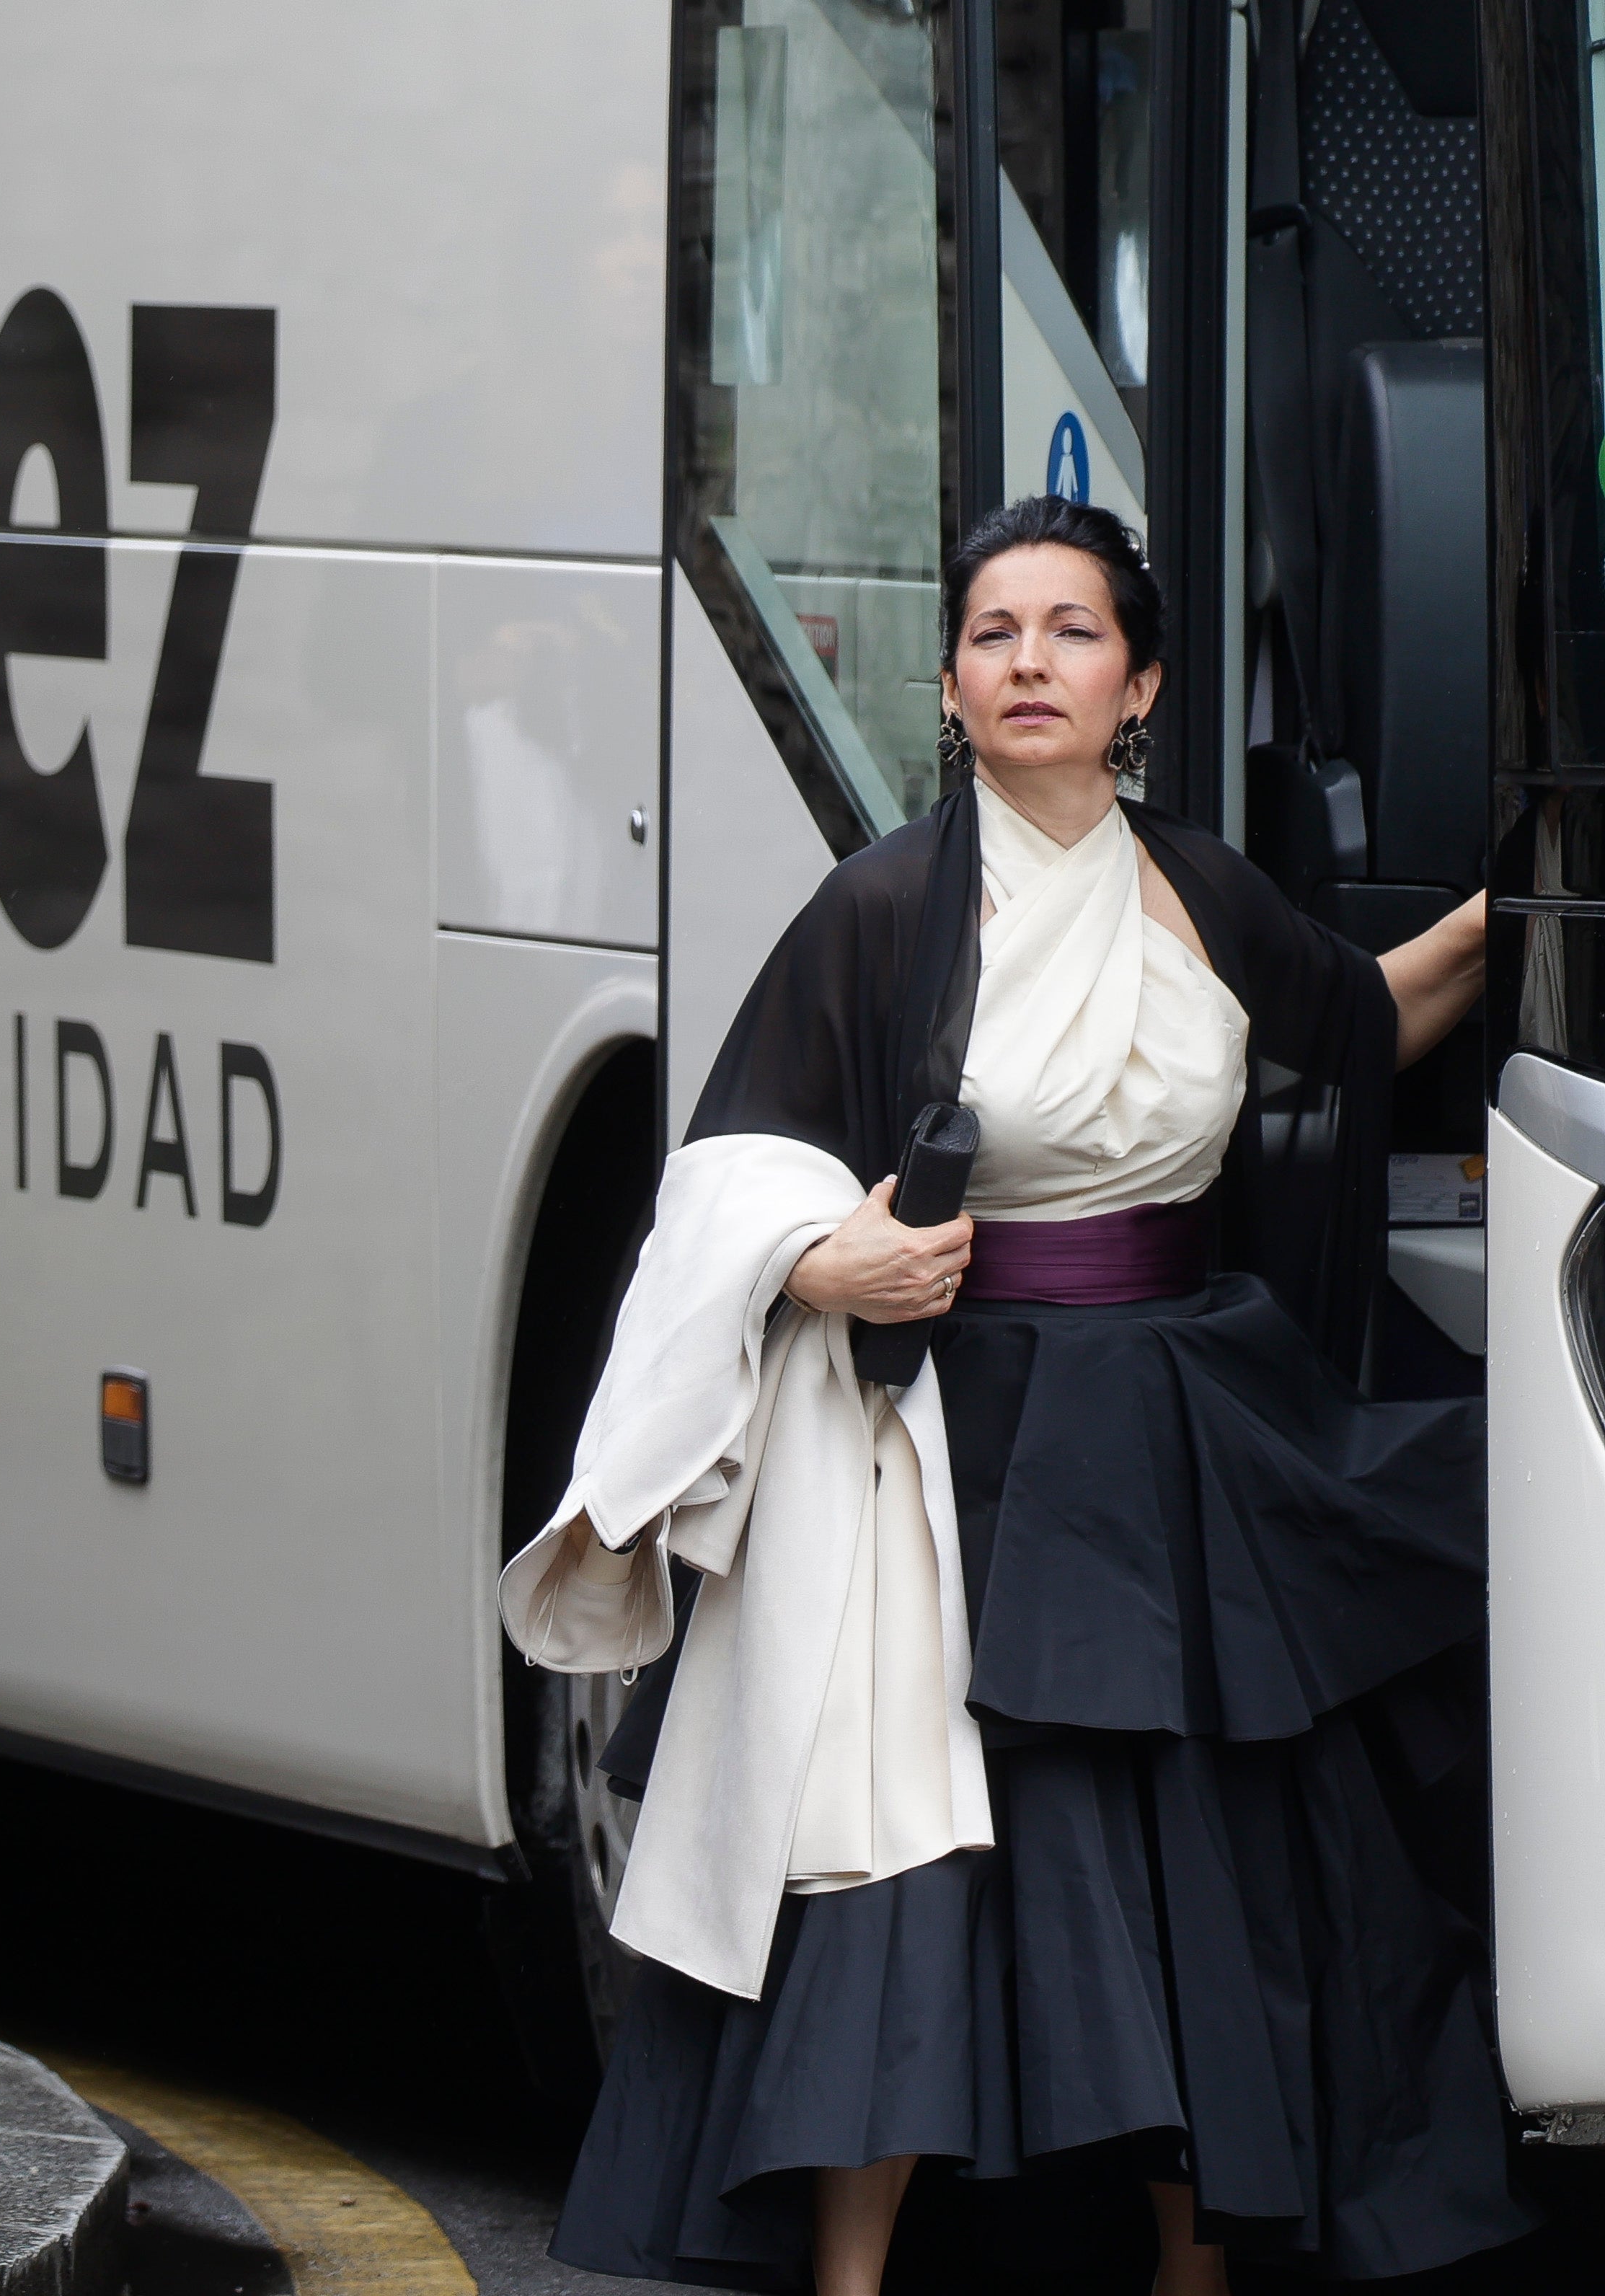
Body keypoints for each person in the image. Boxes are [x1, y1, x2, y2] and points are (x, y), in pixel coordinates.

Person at [505, 496, 1511, 2293]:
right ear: (952, 687)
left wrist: (1544, 885)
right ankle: (851, 2277)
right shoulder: (884, 902)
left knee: (1193, 1860)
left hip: (1178, 1430)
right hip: (951, 1448)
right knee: (914, 1861)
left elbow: (1358, 1021)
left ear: (1141, 686)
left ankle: (1191, 2269)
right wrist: (829, 1267)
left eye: (1070, 632)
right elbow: (734, 1170)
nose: (1029, 661)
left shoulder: (1198, 885)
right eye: (992, 634)